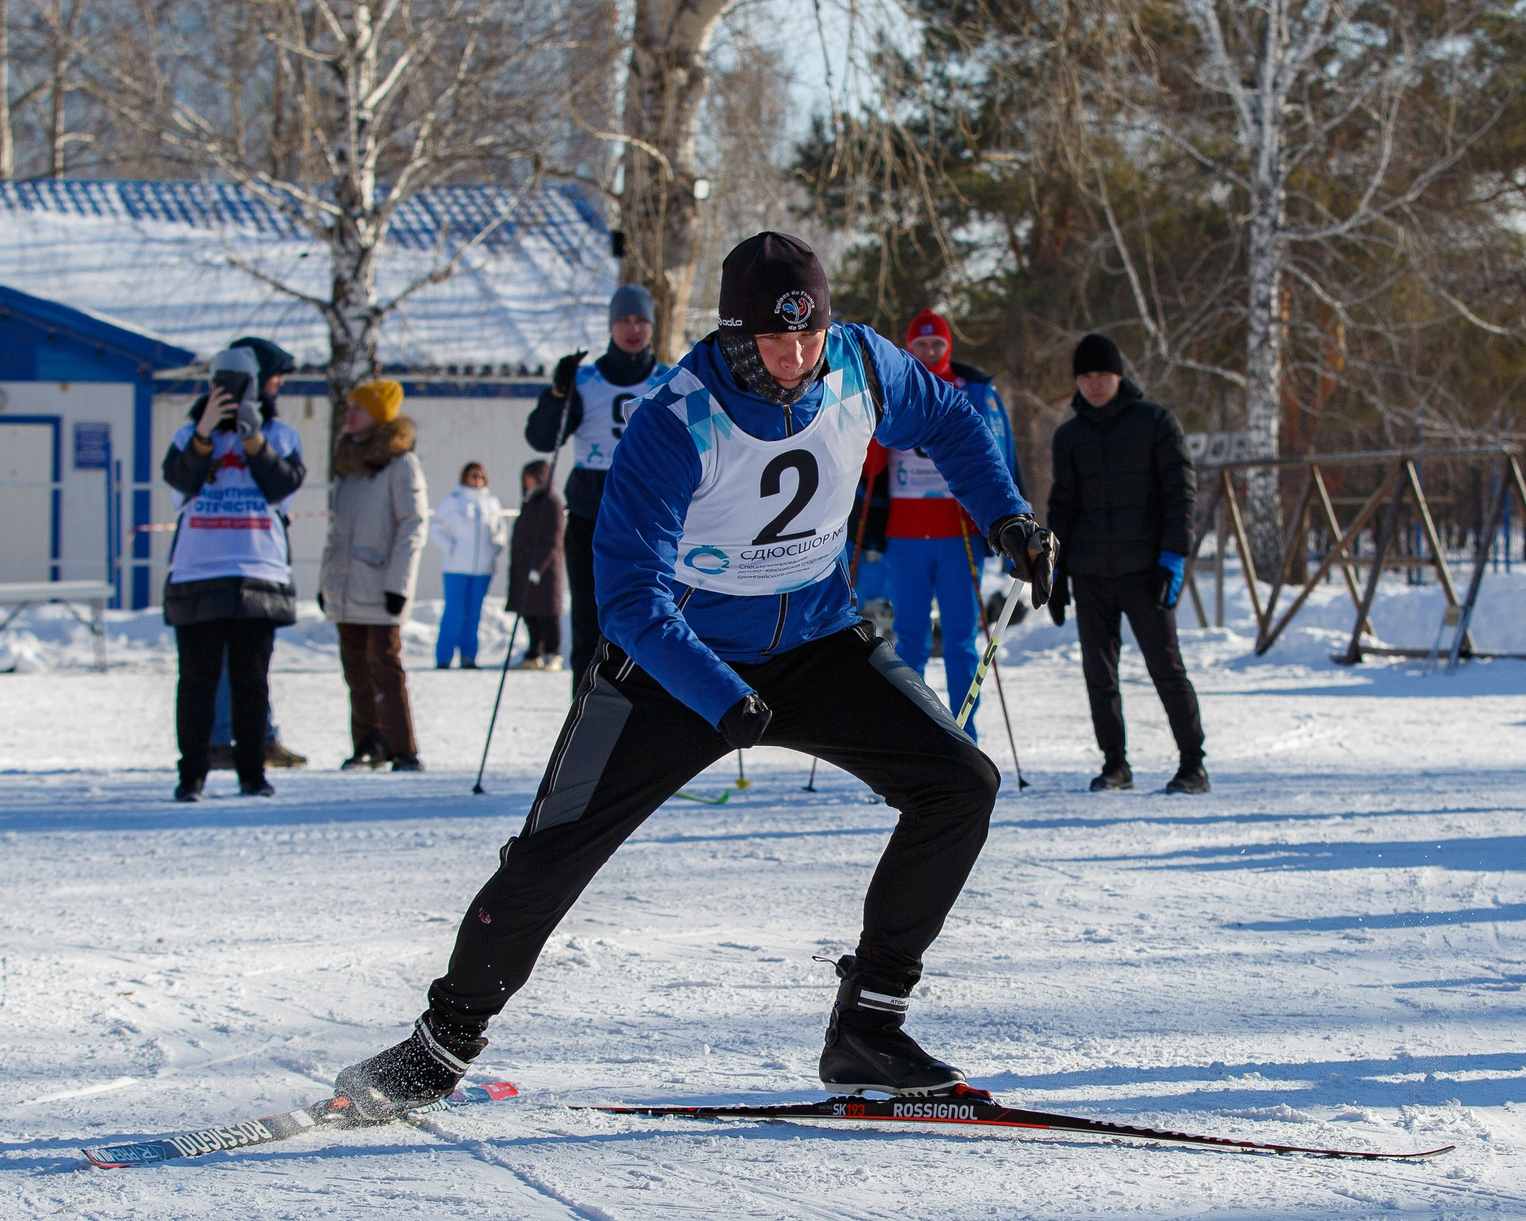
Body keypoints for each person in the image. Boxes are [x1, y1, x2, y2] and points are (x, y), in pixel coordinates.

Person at [327, 232, 1055, 1121]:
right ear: (734, 336)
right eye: (774, 344)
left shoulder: (860, 363)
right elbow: (628, 599)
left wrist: (1008, 518)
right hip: (672, 662)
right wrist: (720, 695)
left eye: (810, 337)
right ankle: (439, 1046)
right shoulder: (675, 420)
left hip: (818, 640)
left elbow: (946, 417)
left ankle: (869, 1021)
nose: (796, 361)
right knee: (553, 850)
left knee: (961, 785)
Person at [1045, 333, 1205, 794]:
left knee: (1166, 668)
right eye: (1087, 376)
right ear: (1078, 380)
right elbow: (1063, 507)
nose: (1096, 384)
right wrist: (1055, 574)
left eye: (1104, 375)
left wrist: (1173, 555)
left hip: (1145, 571)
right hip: (1092, 574)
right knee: (1099, 676)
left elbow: (1181, 493)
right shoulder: (1069, 436)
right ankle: (1115, 764)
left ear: (1120, 376)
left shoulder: (1155, 423)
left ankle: (1192, 764)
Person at [864, 308, 1025, 738]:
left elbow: (998, 457)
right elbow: (871, 464)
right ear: (908, 347)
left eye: (937, 344)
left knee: (959, 638)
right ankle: (917, 731)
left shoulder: (971, 391)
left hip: (959, 534)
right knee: (910, 638)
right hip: (906, 534)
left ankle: (962, 731)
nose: (930, 351)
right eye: (921, 345)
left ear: (948, 347)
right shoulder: (895, 389)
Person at [161, 345, 307, 802]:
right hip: (198, 572)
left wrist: (253, 439)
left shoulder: (280, 435)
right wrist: (204, 431)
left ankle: (252, 772)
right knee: (197, 681)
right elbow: (179, 480)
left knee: (250, 681)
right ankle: (192, 775)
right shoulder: (189, 433)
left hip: (256, 572)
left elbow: (283, 485)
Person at [528, 284, 659, 694]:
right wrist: (556, 393)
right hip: (591, 514)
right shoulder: (585, 380)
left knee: (651, 618)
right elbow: (542, 439)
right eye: (624, 320)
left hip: (651, 517)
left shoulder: (670, 379)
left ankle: (648, 713)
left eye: (641, 320)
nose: (633, 329)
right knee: (589, 619)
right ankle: (585, 708)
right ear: (610, 326)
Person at [205, 336, 310, 772]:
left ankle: (258, 733)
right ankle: (222, 737)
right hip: (228, 556)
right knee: (230, 659)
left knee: (251, 659)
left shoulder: (278, 435)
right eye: (274, 377)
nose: (279, 385)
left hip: (263, 554)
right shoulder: (210, 431)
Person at [319, 379, 430, 771]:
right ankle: (368, 742)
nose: (349, 414)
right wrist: (325, 582)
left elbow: (412, 525)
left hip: (381, 586)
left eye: (358, 408)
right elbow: (338, 531)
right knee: (355, 670)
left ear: (380, 415)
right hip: (346, 587)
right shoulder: (348, 464)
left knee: (385, 667)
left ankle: (403, 748)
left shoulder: (401, 464)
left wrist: (397, 585)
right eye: (347, 406)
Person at [431, 461, 507, 670]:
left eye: (481, 476)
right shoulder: (452, 501)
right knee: (454, 612)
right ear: (465, 476)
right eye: (473, 475)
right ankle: (444, 657)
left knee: (474, 613)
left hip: (482, 569)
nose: (477, 480)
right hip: (456, 567)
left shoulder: (491, 502)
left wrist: (494, 549)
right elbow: (436, 528)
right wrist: (450, 547)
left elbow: (500, 530)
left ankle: (469, 656)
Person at [509, 458, 564, 670]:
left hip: (544, 571)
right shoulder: (529, 502)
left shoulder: (552, 502)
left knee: (547, 613)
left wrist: (539, 566)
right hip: (525, 567)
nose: (528, 483)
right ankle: (534, 652)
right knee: (530, 612)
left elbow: (552, 539)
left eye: (532, 478)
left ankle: (553, 653)